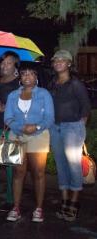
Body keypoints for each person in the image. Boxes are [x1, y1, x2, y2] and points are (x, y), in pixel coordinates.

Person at [4, 65, 54, 222]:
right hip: (17, 135)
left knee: (38, 172)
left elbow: (50, 118)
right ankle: (16, 207)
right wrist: (21, 127)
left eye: (31, 74)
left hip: (38, 135)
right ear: (20, 77)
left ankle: (38, 208)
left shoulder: (44, 94)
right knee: (18, 173)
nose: (27, 77)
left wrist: (36, 127)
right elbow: (8, 117)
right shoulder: (13, 95)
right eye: (24, 74)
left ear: (36, 77)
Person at [48, 50, 91, 222]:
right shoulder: (53, 83)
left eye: (62, 60)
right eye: (55, 60)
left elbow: (86, 107)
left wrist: (80, 126)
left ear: (69, 64)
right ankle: (64, 199)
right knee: (61, 164)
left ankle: (74, 202)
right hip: (55, 128)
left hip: (72, 127)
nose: (58, 62)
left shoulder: (75, 84)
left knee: (73, 165)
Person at [0, 52, 20, 209]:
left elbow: (24, 103)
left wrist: (8, 108)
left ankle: (11, 199)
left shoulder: (19, 82)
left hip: (10, 127)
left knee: (10, 166)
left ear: (15, 64)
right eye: (2, 63)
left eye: (8, 63)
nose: (4, 66)